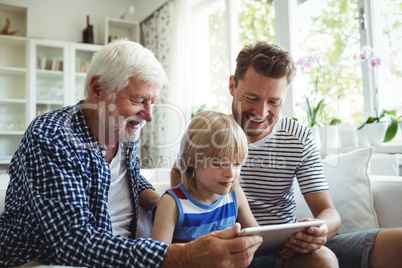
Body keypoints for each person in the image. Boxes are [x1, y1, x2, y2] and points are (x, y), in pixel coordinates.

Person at [0, 39, 262, 268]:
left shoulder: (121, 130)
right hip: (47, 261)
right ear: (98, 89)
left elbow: (129, 179)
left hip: (124, 252)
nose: (148, 115)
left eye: (153, 102)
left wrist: (165, 205)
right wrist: (181, 256)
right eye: (138, 101)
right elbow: (73, 242)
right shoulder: (53, 136)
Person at [171, 41, 402, 268]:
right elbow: (179, 196)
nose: (261, 113)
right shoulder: (204, 132)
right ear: (232, 86)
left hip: (286, 251)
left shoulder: (299, 137)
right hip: (227, 253)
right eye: (251, 98)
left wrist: (319, 230)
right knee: (323, 261)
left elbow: (329, 212)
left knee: (396, 243)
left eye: (274, 102)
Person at [151, 110, 259, 244]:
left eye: (237, 164)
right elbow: (157, 257)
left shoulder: (235, 195)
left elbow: (258, 239)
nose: (231, 174)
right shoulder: (171, 203)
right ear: (191, 161)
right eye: (219, 164)